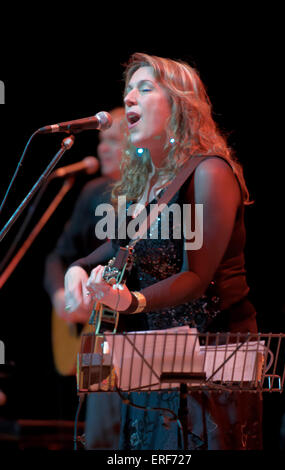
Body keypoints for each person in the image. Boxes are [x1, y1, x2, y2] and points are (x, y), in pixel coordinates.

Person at [64, 53, 263, 450]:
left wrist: (130, 300)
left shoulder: (210, 171)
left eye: (144, 88)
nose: (130, 99)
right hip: (154, 367)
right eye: (127, 90)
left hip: (210, 371)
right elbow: (108, 249)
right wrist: (77, 271)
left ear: (178, 103)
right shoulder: (150, 188)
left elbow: (196, 276)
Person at [43, 107, 126, 449]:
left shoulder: (161, 199)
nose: (101, 149)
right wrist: (61, 295)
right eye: (101, 142)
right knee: (99, 437)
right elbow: (58, 255)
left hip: (141, 333)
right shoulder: (95, 192)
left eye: (113, 141)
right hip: (97, 337)